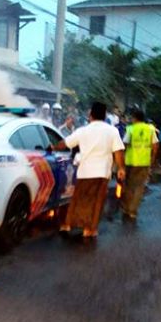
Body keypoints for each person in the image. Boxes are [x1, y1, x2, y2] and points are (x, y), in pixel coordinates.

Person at [54, 102, 126, 238]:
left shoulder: (83, 130)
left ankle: (69, 224)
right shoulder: (112, 131)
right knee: (96, 202)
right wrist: (121, 168)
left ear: (90, 115)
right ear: (105, 115)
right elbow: (118, 151)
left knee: (79, 199)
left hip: (84, 172)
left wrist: (52, 147)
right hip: (102, 173)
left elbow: (65, 143)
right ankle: (90, 229)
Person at [121, 109, 158, 220]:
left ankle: (126, 208)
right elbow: (155, 146)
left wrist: (121, 161)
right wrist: (152, 160)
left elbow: (125, 144)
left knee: (128, 186)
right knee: (139, 187)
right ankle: (133, 211)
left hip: (130, 162)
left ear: (134, 118)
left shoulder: (130, 129)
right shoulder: (151, 129)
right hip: (144, 162)